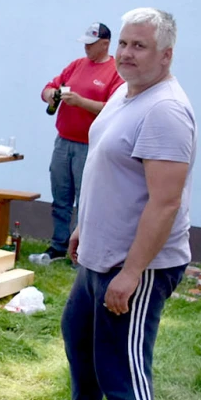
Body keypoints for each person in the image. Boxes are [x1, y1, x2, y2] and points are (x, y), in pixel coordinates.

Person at [33, 8, 195, 400]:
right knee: (79, 337)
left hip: (138, 263)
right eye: (123, 43)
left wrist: (132, 272)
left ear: (166, 55)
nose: (126, 53)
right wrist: (84, 227)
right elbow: (111, 172)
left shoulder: (165, 111)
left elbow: (164, 202)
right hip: (99, 252)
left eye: (139, 46)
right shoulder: (126, 94)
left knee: (122, 364)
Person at [35, 22, 124, 262]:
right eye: (85, 43)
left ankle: (83, 251)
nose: (86, 48)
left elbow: (114, 108)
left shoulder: (115, 72)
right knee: (60, 197)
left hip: (90, 146)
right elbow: (49, 87)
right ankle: (58, 245)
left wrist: (80, 102)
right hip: (63, 141)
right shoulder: (76, 65)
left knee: (85, 200)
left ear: (105, 44)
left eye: (91, 44)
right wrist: (50, 95)